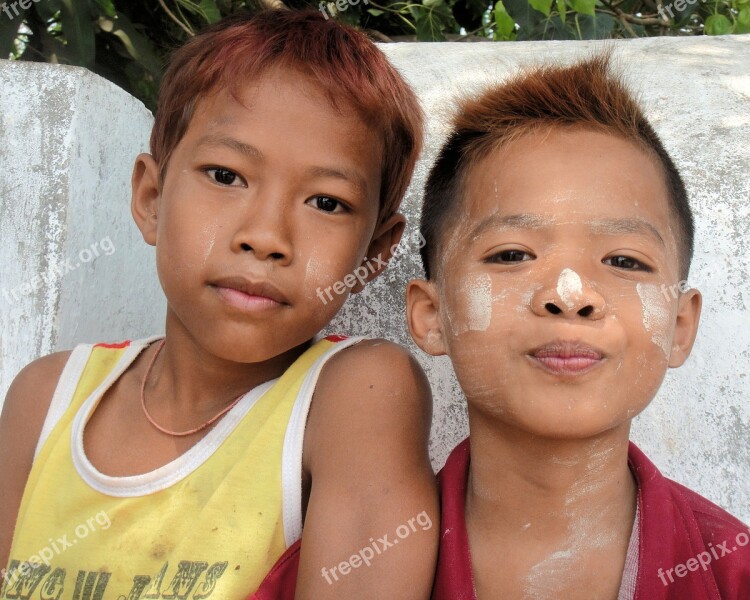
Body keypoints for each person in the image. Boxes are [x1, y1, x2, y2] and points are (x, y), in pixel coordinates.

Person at [0, 9, 438, 599]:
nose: (266, 236)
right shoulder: (47, 400)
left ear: (376, 252)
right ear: (151, 198)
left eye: (327, 203)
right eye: (226, 175)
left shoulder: (353, 395)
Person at [405, 53, 750, 599]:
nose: (572, 296)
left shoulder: (747, 580)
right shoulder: (350, 570)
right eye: (513, 254)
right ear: (432, 315)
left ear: (680, 326)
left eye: (624, 262)